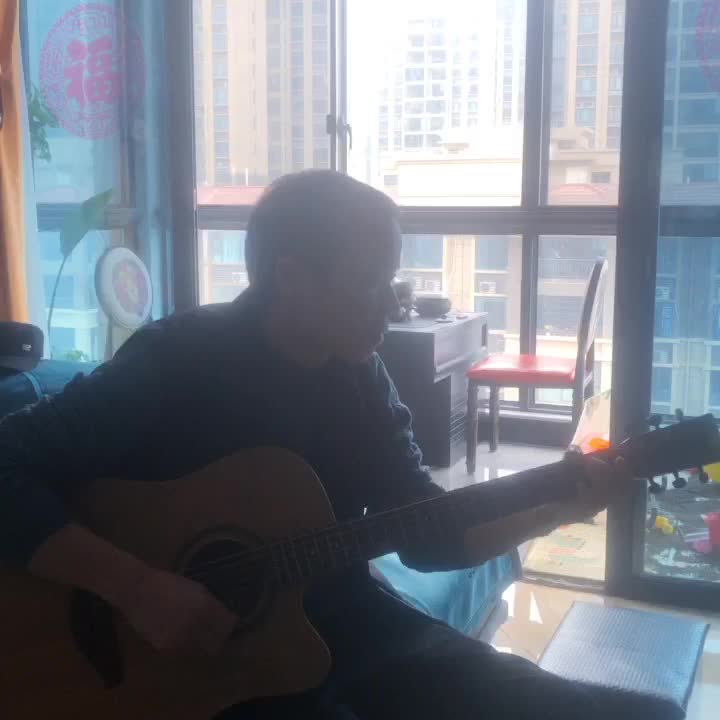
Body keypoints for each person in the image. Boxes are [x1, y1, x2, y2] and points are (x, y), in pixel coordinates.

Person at [0, 170, 631, 719]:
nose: (391, 306)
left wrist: (553, 509)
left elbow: (428, 536)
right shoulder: (176, 360)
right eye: (370, 282)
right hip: (193, 665)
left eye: (393, 280)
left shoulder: (362, 379)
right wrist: (137, 588)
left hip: (346, 623)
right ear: (293, 278)